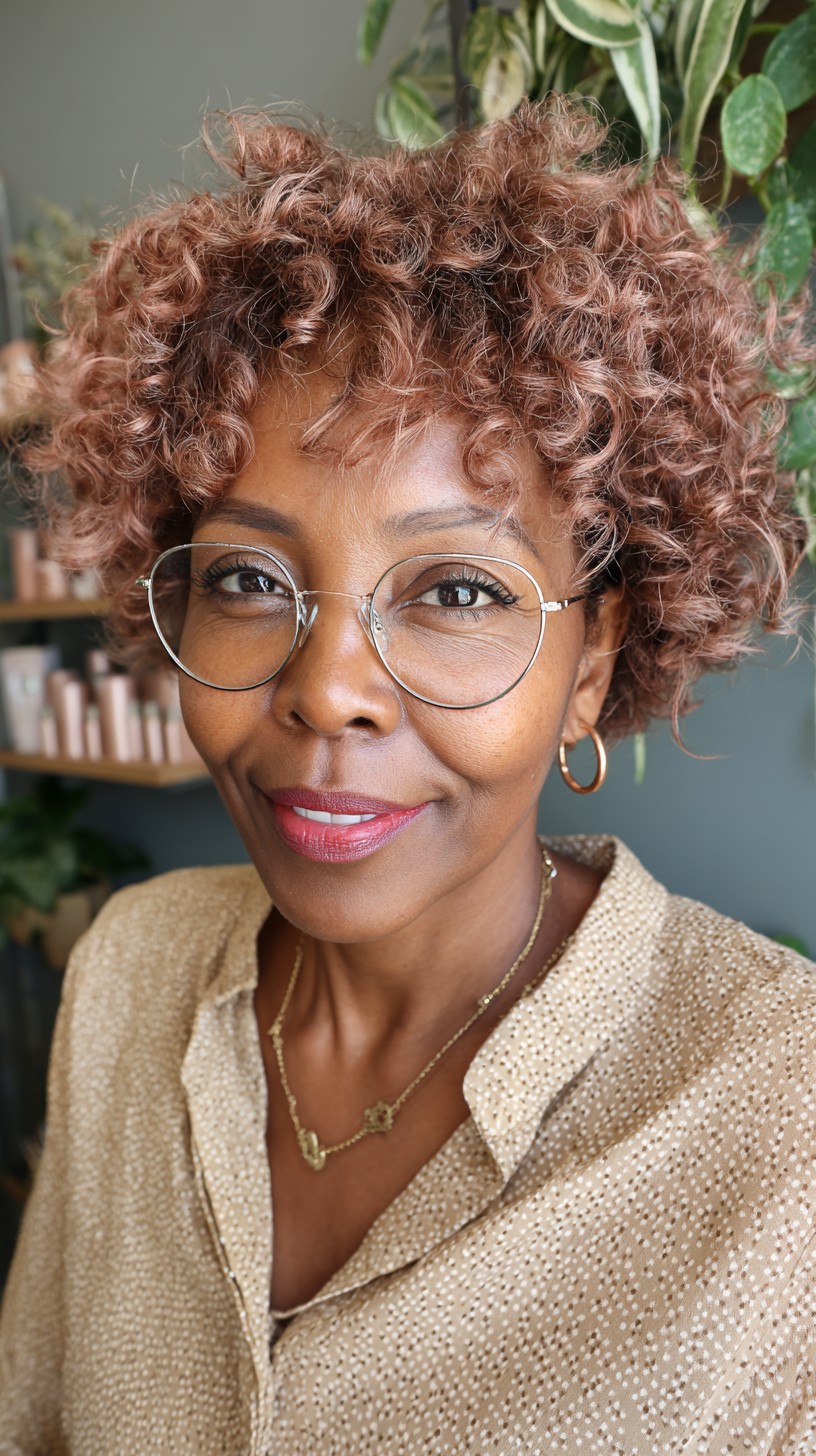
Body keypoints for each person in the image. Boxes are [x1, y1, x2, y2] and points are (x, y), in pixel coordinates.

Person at [1, 98, 815, 1455]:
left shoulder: (784, 1118)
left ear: (596, 662)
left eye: (453, 588)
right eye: (250, 578)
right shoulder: (129, 977)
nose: (326, 687)